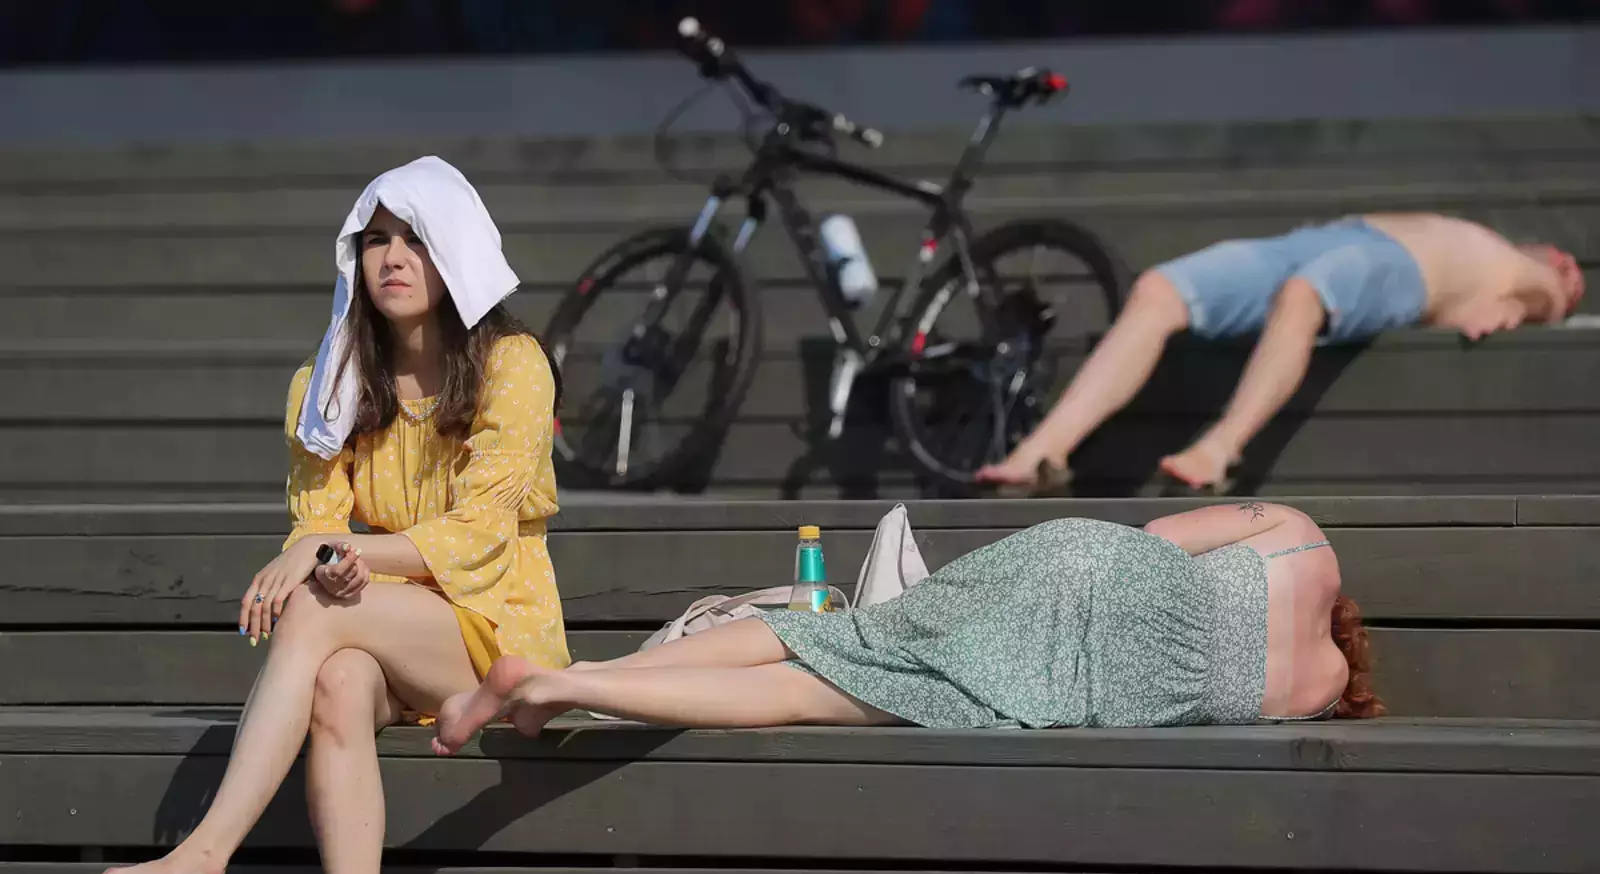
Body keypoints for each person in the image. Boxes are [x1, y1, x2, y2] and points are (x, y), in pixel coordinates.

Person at [77, 156, 569, 874]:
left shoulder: (513, 364)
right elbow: (318, 526)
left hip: (495, 637)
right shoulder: (327, 384)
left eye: (415, 239)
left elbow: (479, 534)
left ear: (457, 251)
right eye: (375, 239)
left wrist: (330, 556)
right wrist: (334, 557)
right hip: (390, 631)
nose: (393, 257)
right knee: (338, 680)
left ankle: (203, 855)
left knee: (312, 605)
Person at [431, 501, 1382, 749]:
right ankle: (569, 687)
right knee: (810, 693)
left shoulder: (1304, 539)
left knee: (846, 636)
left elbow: (1161, 539)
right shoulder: (1313, 697)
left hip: (1084, 565)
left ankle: (581, 674)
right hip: (1076, 681)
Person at [975, 213, 1587, 494]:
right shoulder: (1507, 248)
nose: (1570, 277)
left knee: (1304, 296)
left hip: (1400, 267)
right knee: (1158, 288)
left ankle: (1220, 449)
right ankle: (1042, 451)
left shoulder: (1531, 276)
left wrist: (1526, 304)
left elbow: (1548, 298)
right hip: (1326, 238)